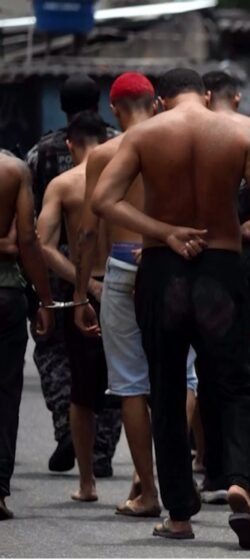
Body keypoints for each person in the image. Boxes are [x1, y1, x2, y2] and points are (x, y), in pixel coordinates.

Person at [91, 68, 250, 549]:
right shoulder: (236, 134)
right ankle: (238, 480)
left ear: (159, 101)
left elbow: (103, 199)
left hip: (163, 272)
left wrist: (163, 231)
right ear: (209, 95)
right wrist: (241, 227)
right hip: (222, 269)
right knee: (234, 384)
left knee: (167, 389)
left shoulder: (147, 135)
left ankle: (178, 515)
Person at [73, 72, 200, 518]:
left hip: (123, 265)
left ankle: (147, 489)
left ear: (114, 108)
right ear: (158, 102)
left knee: (129, 382)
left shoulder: (105, 154)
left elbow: (89, 229)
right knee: (184, 374)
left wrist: (79, 291)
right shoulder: (181, 145)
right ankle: (165, 468)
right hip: (170, 260)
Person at [25, 74, 121, 476]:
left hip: (58, 266)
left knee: (53, 352)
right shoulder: (120, 144)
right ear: (99, 103)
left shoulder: (40, 152)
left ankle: (69, 427)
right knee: (116, 360)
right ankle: (99, 448)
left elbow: (27, 217)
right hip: (113, 262)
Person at [203, 68, 250, 514]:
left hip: (211, 257)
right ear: (238, 96)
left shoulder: (190, 136)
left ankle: (218, 468)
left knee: (212, 363)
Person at [36, 112, 112, 503]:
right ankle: (147, 481)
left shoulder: (63, 184)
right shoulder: (129, 175)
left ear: (70, 144)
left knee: (82, 393)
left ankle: (87, 483)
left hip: (84, 286)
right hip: (131, 281)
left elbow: (44, 245)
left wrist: (89, 285)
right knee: (140, 386)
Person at [0, 151, 54, 520]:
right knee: (5, 392)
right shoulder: (13, 170)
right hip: (6, 293)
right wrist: (45, 300)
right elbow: (28, 242)